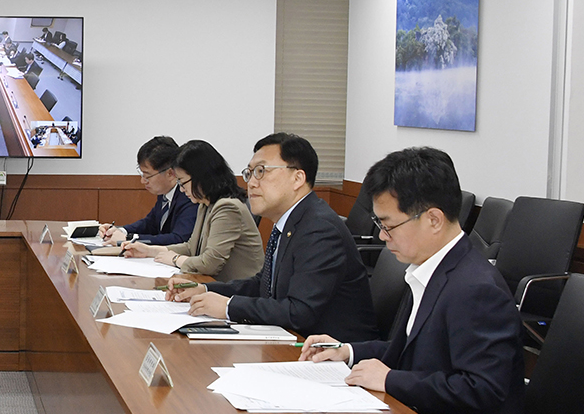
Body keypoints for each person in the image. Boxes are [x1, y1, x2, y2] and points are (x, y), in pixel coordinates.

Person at [299, 147, 525, 414]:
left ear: (433, 219)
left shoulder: (475, 289)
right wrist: (347, 351)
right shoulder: (430, 268)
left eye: (389, 224)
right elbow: (408, 350)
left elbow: (481, 388)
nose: (381, 235)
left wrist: (390, 379)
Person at [165, 133, 378, 341]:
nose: (251, 183)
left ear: (297, 178)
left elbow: (300, 311)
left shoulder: (319, 229)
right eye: (249, 173)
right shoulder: (291, 222)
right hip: (295, 342)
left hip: (332, 357)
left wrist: (228, 307)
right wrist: (205, 289)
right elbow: (264, 285)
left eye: (261, 171)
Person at [123, 140, 263, 282]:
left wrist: (176, 259)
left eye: (183, 183)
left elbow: (209, 264)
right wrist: (149, 250)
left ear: (201, 178)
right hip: (215, 286)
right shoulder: (205, 204)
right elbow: (191, 247)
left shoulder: (228, 208)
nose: (182, 190)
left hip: (239, 292)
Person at [99, 136, 198, 246]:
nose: (142, 181)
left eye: (147, 176)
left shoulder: (188, 196)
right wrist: (121, 231)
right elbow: (150, 223)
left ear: (170, 174)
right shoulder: (164, 194)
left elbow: (179, 238)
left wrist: (128, 238)